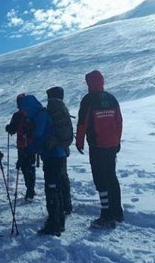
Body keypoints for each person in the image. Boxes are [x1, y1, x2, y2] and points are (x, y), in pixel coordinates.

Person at [75, 70, 123, 229]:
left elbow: (82, 123)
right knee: (111, 176)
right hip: (111, 145)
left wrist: (79, 142)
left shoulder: (88, 100)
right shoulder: (111, 98)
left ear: (89, 83)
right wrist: (117, 141)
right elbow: (119, 121)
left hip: (97, 146)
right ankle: (117, 211)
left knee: (100, 179)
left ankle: (106, 214)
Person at [19, 94, 67, 237]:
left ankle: (54, 224)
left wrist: (28, 150)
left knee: (51, 189)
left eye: (24, 109)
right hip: (54, 156)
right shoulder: (40, 114)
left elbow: (39, 136)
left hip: (53, 157)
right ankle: (58, 221)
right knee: (55, 189)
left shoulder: (41, 116)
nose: (24, 113)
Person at [46, 86, 73, 215]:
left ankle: (57, 211)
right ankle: (66, 205)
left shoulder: (53, 107)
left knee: (54, 180)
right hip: (63, 148)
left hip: (54, 150)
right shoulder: (62, 108)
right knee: (63, 177)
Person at [5, 93, 36, 201]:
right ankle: (30, 189)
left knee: (27, 167)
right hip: (27, 145)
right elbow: (13, 129)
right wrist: (10, 128)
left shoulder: (19, 115)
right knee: (26, 167)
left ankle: (30, 190)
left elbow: (13, 130)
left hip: (26, 145)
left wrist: (10, 128)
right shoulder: (30, 114)